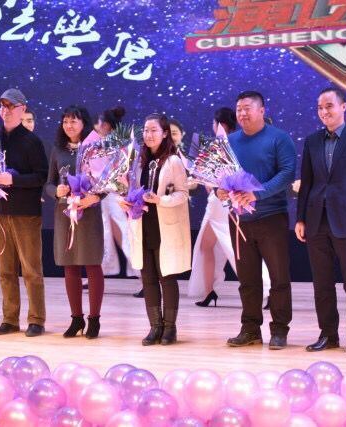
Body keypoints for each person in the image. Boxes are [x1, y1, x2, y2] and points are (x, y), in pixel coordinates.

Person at [296, 88, 346, 355]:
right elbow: (307, 183)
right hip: (316, 221)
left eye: (329, 106)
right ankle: (328, 335)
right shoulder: (312, 141)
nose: (324, 112)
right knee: (322, 285)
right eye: (320, 107)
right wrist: (300, 218)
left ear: (344, 107)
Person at [217, 91, 295, 350]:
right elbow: (220, 175)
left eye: (247, 108)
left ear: (262, 110)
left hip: (271, 217)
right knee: (247, 279)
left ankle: (279, 329)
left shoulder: (279, 138)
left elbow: (287, 173)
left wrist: (257, 192)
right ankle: (250, 328)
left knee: (278, 277)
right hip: (239, 220)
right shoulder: (229, 142)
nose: (242, 113)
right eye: (239, 109)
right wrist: (219, 190)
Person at [189, 108, 271, 308]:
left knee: (235, 248)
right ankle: (209, 291)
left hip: (224, 203)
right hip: (218, 202)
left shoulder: (226, 145)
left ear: (221, 125)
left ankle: (266, 288)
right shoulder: (233, 143)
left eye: (214, 122)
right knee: (206, 246)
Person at [120, 113, 191, 346]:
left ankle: (170, 328)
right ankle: (155, 326)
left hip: (165, 227)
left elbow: (183, 193)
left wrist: (160, 200)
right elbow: (132, 191)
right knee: (148, 278)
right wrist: (126, 199)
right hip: (142, 225)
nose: (148, 134)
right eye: (146, 130)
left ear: (164, 133)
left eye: (154, 130)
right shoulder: (138, 161)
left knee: (167, 277)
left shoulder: (173, 161)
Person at [0, 89, 49, 337]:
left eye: (10, 106)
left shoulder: (31, 141)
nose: (5, 110)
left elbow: (41, 176)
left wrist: (13, 180)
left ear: (22, 109)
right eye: (2, 106)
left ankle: (36, 319)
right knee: (5, 269)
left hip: (25, 213)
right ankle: (10, 318)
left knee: (31, 269)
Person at [45, 106, 105, 338]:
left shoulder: (95, 148)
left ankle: (94, 320)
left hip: (88, 213)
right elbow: (48, 184)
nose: (69, 125)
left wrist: (96, 197)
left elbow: (108, 182)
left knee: (92, 264)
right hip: (65, 214)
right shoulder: (57, 150)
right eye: (65, 121)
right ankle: (76, 319)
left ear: (84, 124)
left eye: (74, 121)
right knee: (69, 265)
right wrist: (56, 191)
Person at [94, 106, 140, 283]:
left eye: (97, 123)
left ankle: (142, 275)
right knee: (106, 234)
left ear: (105, 125)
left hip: (114, 194)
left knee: (123, 233)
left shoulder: (116, 144)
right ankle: (97, 275)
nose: (95, 127)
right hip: (106, 194)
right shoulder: (115, 143)